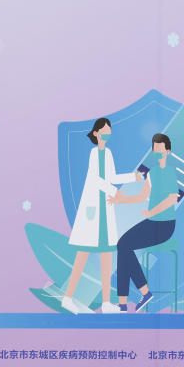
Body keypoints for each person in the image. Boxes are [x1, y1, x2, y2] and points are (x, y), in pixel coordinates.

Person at [62, 117, 143, 314]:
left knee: (107, 257)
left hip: (105, 211)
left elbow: (112, 177)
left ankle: (107, 303)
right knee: (82, 255)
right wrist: (116, 193)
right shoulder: (93, 154)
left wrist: (133, 177)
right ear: (96, 133)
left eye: (109, 130)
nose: (107, 133)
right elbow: (97, 180)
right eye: (104, 130)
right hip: (92, 211)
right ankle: (68, 298)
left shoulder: (108, 154)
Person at [109, 133, 178, 313]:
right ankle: (125, 303)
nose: (158, 156)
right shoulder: (152, 173)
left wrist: (152, 211)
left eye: (161, 152)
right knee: (123, 246)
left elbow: (171, 199)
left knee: (123, 246)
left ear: (168, 152)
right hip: (152, 221)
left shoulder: (170, 172)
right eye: (155, 153)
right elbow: (141, 196)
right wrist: (119, 200)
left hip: (165, 225)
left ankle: (138, 296)